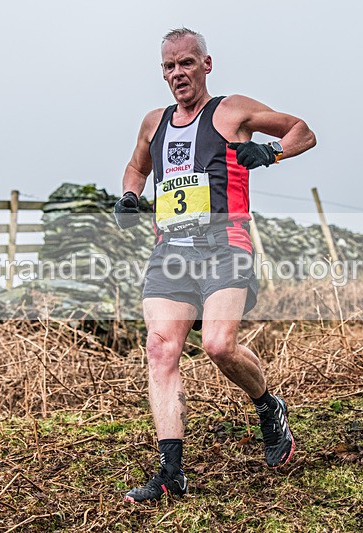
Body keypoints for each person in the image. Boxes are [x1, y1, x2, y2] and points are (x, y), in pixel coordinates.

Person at [114, 28, 316, 503]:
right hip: (172, 251)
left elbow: (303, 131)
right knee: (161, 350)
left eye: (187, 63)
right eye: (169, 66)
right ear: (162, 72)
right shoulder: (153, 122)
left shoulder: (232, 110)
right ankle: (171, 473)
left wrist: (270, 152)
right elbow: (137, 167)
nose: (178, 73)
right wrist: (129, 195)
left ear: (207, 64)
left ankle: (268, 407)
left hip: (226, 244)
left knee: (218, 345)